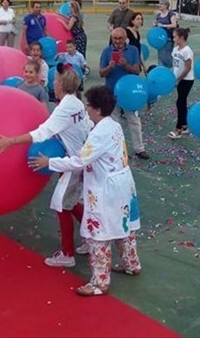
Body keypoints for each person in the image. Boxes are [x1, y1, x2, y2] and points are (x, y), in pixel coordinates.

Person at [29, 85, 142, 296]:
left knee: (99, 235)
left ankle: (100, 283)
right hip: (123, 184)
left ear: (98, 109)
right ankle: (132, 264)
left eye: (89, 106)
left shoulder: (98, 134)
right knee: (124, 227)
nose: (86, 110)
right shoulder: (114, 125)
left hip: (106, 189)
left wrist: (49, 161)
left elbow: (79, 160)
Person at [0, 66, 91, 267]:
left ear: (60, 84)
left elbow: (41, 133)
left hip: (73, 163)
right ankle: (89, 238)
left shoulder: (65, 108)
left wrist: (11, 141)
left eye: (56, 80)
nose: (53, 82)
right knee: (69, 202)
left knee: (62, 204)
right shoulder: (76, 103)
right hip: (77, 160)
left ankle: (67, 254)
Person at [99, 28, 149, 159]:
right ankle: (116, 148)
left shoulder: (133, 50)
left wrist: (126, 65)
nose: (117, 41)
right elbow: (101, 73)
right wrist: (110, 66)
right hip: (111, 92)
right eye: (114, 38)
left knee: (134, 120)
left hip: (129, 94)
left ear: (125, 38)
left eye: (120, 38)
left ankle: (139, 148)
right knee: (114, 122)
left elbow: (137, 70)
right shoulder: (106, 51)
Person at [168, 27, 194, 139]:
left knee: (180, 102)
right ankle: (184, 125)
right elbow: (175, 65)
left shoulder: (187, 51)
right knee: (181, 102)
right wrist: (171, 75)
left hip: (186, 80)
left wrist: (178, 79)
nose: (173, 39)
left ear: (181, 37)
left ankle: (178, 129)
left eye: (175, 37)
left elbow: (188, 68)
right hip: (178, 79)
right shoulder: (175, 49)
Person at [154, 0, 178, 67]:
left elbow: (174, 24)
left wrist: (164, 25)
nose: (159, 5)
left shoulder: (171, 14)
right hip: (159, 40)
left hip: (168, 38)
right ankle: (162, 70)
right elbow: (156, 24)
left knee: (167, 56)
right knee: (161, 56)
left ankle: (173, 69)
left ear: (166, 5)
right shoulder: (158, 15)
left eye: (161, 4)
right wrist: (155, 24)